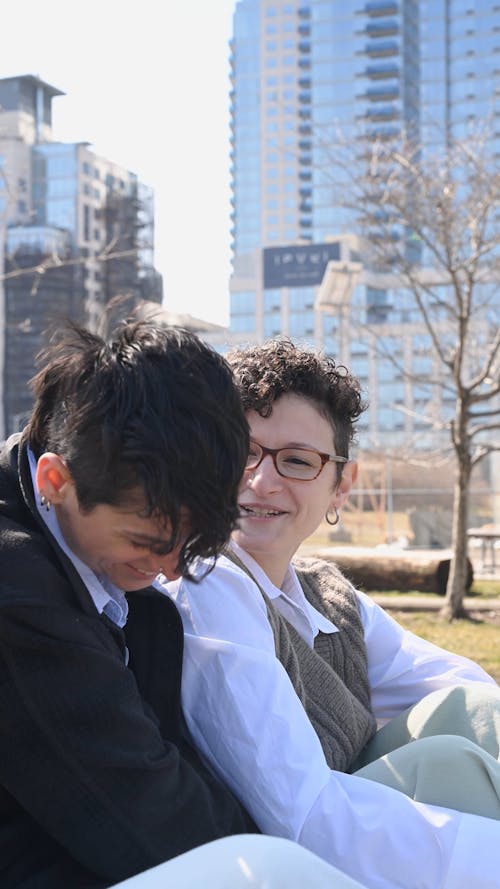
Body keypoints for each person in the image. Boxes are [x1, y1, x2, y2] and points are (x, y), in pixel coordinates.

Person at [0, 318, 366, 889]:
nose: (169, 571)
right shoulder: (17, 590)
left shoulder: (108, 563)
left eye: (195, 545)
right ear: (55, 481)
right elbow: (147, 818)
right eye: (147, 541)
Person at [165, 338, 500, 889]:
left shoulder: (326, 594)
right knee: (448, 768)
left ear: (341, 485)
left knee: (468, 708)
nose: (260, 480)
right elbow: (303, 816)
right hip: (269, 865)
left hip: (345, 831)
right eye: (241, 452)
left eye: (296, 460)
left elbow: (462, 690)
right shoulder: (208, 581)